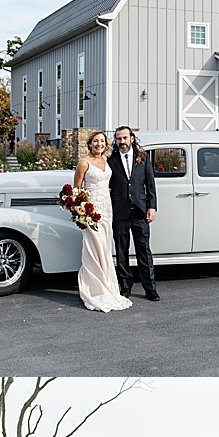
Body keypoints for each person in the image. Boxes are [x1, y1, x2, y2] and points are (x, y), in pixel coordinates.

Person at [71, 130, 131, 313]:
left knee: (104, 248)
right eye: (95, 141)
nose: (99, 144)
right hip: (91, 211)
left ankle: (107, 285)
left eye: (102, 141)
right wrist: (81, 211)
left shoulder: (107, 160)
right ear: (89, 144)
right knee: (93, 248)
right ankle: (94, 289)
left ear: (106, 144)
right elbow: (76, 189)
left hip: (107, 209)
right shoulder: (83, 163)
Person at [108, 125, 159, 301]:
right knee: (122, 251)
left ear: (131, 138)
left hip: (140, 212)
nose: (122, 142)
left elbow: (150, 184)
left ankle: (150, 288)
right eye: (118, 138)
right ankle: (125, 286)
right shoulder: (110, 160)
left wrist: (152, 207)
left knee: (144, 250)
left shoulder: (142, 158)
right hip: (119, 212)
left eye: (124, 138)